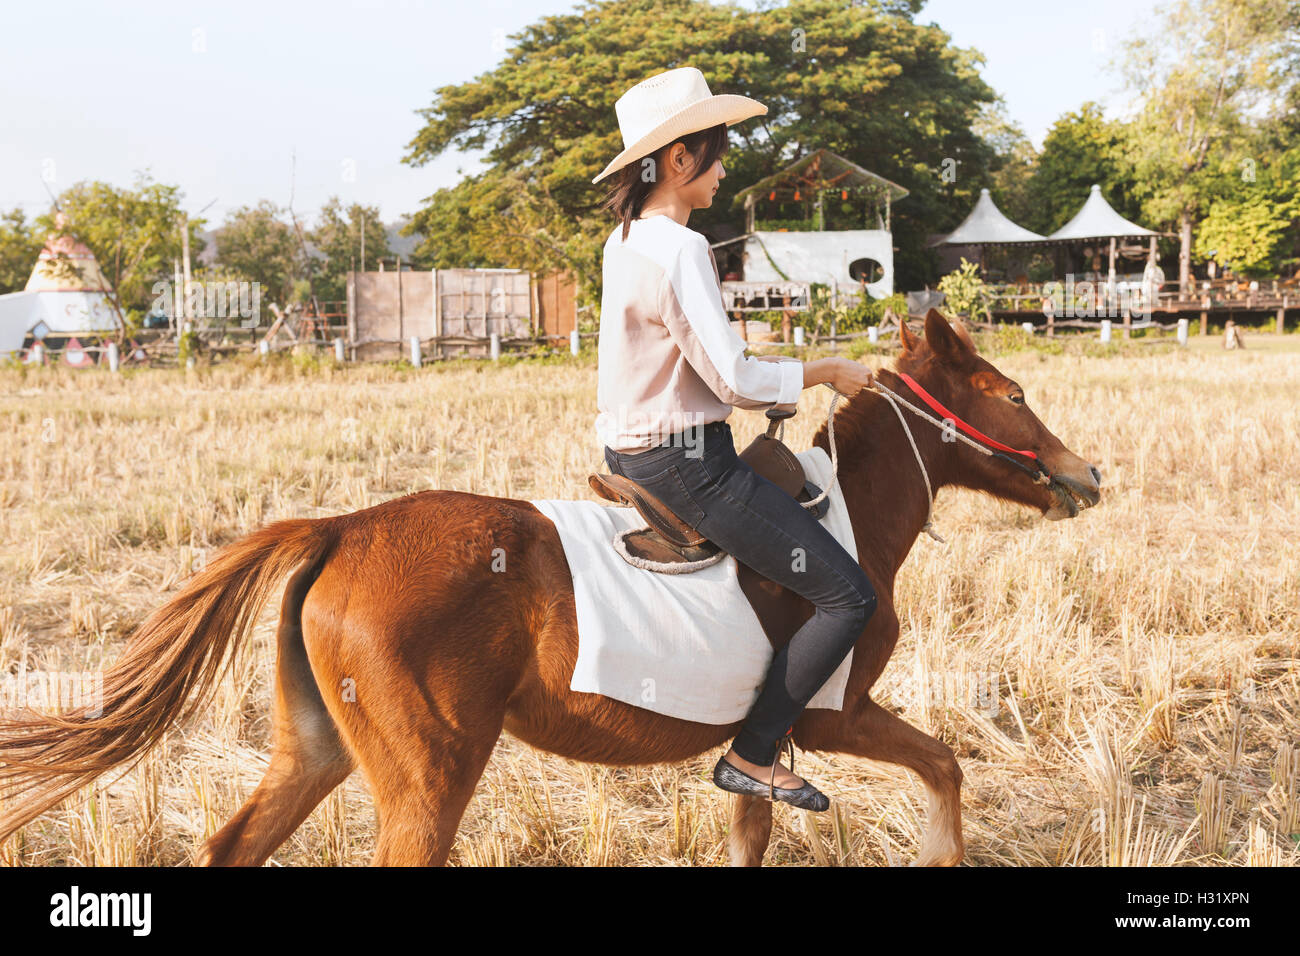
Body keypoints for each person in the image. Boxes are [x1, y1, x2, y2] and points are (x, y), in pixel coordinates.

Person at [590, 68, 879, 812]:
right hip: (693, 468)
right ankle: (753, 754)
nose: (724, 171)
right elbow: (737, 385)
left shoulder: (623, 241)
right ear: (679, 161)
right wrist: (825, 370)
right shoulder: (683, 250)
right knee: (850, 598)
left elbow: (672, 348)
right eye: (716, 156)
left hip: (631, 453)